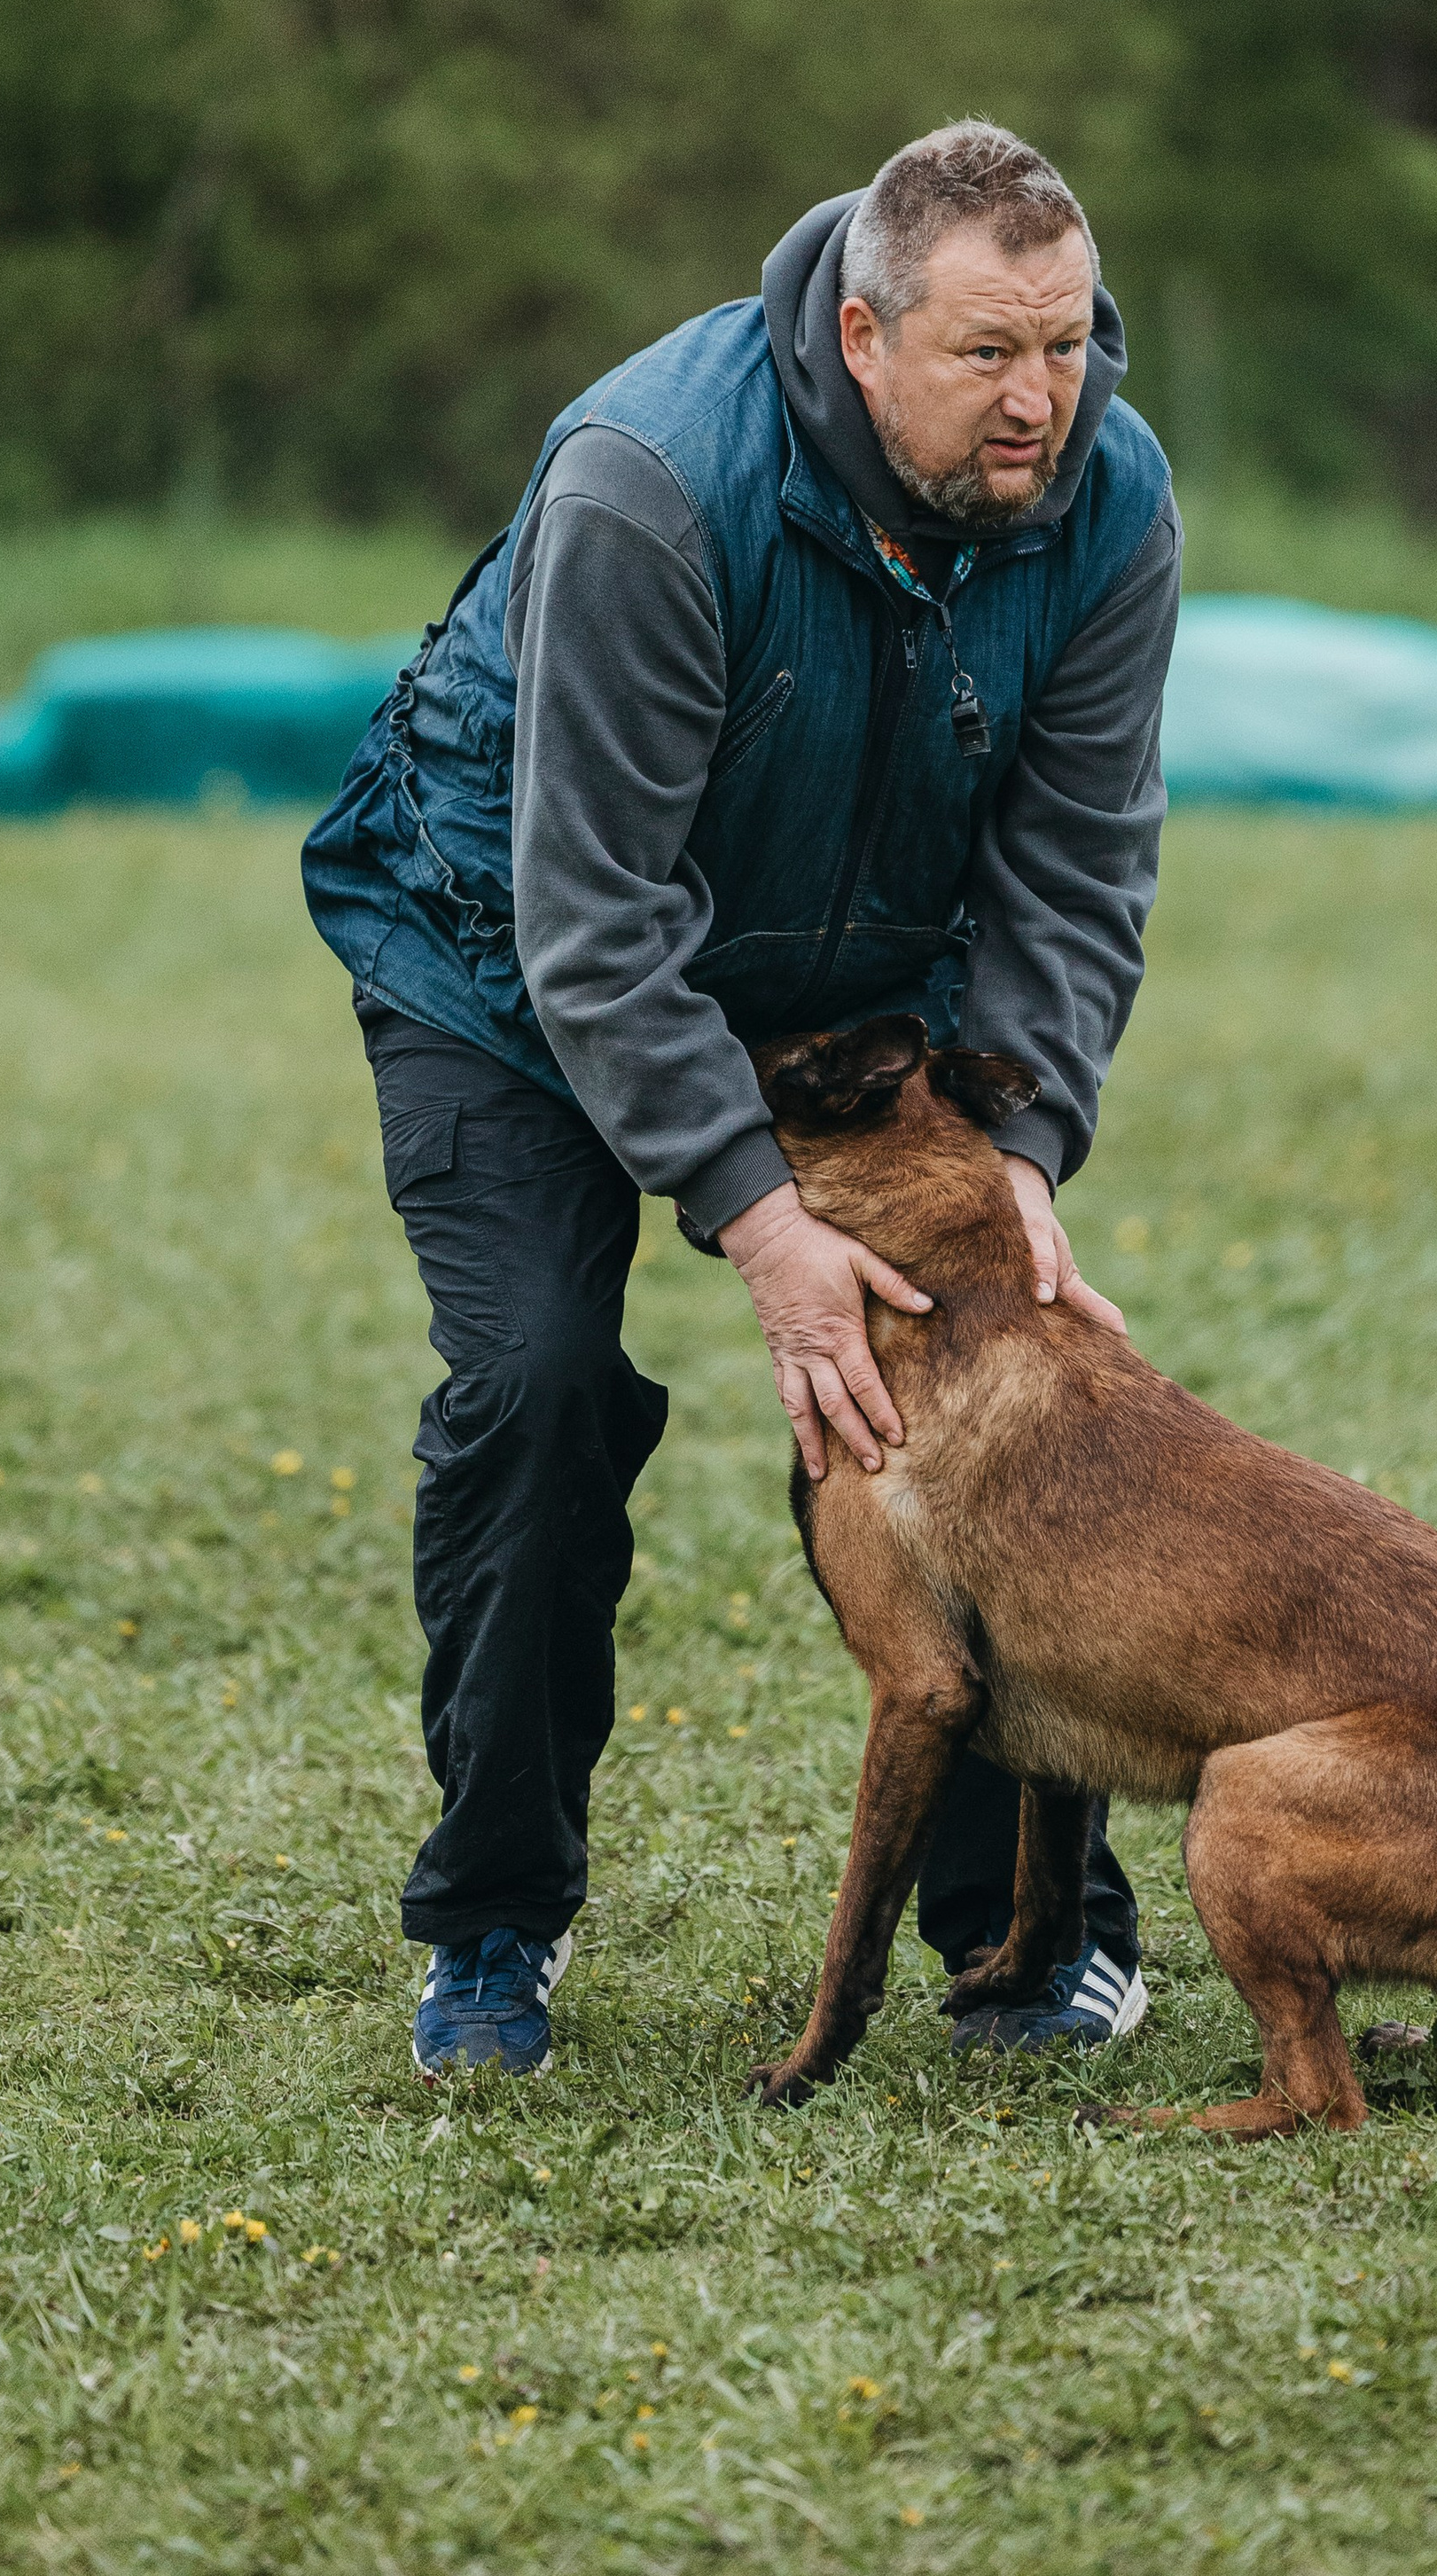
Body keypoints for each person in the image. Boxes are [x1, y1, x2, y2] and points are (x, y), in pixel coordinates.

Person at [301, 120, 1182, 2080]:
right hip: (507, 957)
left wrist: (1021, 1152)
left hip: (861, 999)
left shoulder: (1107, 498)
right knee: (536, 1394)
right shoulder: (652, 481)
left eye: (1065, 342)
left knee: (992, 1380)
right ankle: (491, 1928)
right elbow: (594, 911)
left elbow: (1073, 863)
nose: (1039, 395)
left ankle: (1029, 1936)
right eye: (986, 355)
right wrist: (759, 1221)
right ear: (862, 337)